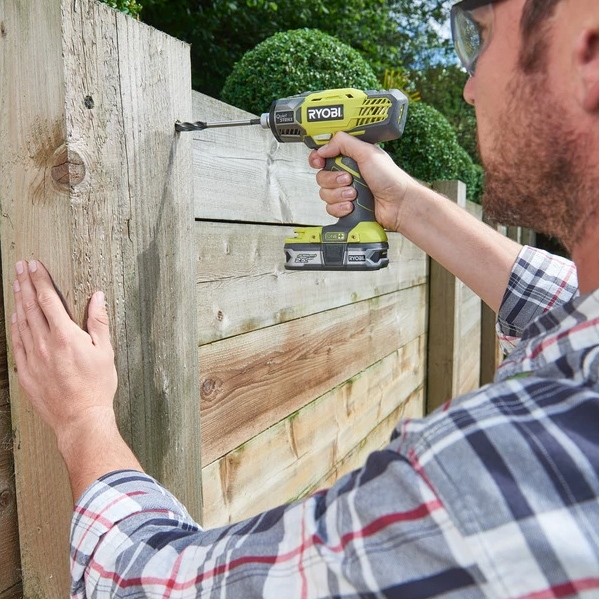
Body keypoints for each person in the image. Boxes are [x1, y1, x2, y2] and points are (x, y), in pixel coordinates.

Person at [10, 0, 598, 597]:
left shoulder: (499, 474)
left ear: (589, 48)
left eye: (481, 35)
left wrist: (82, 420)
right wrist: (406, 206)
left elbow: (152, 584)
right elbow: (559, 301)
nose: (469, 87)